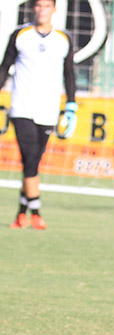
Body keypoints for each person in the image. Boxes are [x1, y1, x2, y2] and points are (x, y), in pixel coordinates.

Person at [1, 0, 77, 230]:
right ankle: (36, 212)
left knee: (34, 162)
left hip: (48, 109)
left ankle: (20, 214)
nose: (42, 10)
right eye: (38, 5)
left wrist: (72, 104)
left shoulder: (63, 39)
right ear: (33, 8)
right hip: (22, 107)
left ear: (54, 9)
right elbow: (4, 67)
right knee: (30, 159)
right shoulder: (20, 35)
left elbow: (70, 74)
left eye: (47, 6)